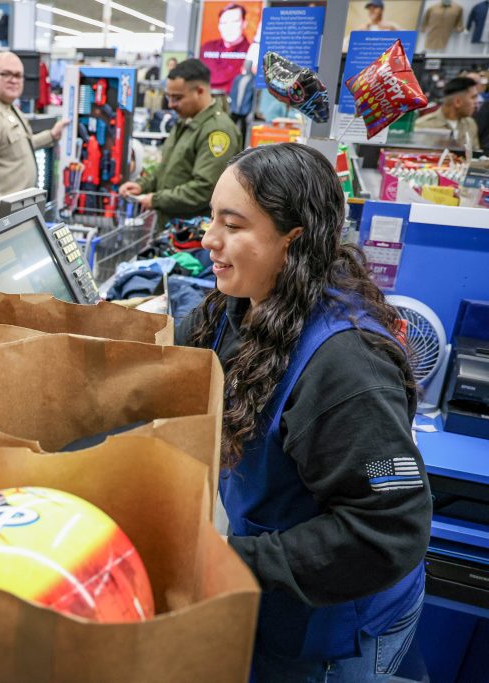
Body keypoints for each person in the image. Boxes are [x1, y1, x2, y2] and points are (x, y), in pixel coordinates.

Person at [177, 143, 430, 681]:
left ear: (292, 240)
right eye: (210, 218)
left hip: (338, 630)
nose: (208, 240)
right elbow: (162, 365)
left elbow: (388, 530)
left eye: (234, 224)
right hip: (273, 601)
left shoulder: (347, 369)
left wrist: (226, 556)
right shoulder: (241, 304)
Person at [118, 59, 241, 230]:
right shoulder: (185, 122)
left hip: (194, 234)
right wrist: (142, 186)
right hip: (172, 228)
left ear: (200, 91)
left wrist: (156, 199)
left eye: (177, 98)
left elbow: (204, 189)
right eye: (169, 97)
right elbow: (168, 169)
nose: (170, 104)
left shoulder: (217, 131)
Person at [0, 51, 69, 213]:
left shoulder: (9, 109)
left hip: (15, 209)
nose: (13, 80)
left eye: (18, 75)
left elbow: (20, 146)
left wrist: (51, 136)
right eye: (6, 74)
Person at [415, 76, 482, 151]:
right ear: (457, 102)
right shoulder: (423, 125)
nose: (476, 102)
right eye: (473, 97)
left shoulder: (470, 124)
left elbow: (476, 156)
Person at [199, 3, 252, 93]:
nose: (229, 27)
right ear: (219, 26)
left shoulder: (251, 51)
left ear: (244, 24)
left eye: (234, 21)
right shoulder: (207, 48)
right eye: (224, 23)